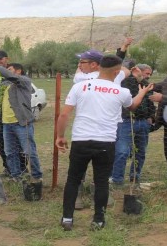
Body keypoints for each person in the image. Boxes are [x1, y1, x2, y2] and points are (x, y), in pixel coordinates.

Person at [56, 55, 152, 231]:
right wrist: (142, 92)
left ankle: (67, 218)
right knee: (101, 181)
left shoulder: (80, 87)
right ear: (117, 72)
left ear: (99, 68)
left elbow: (64, 115)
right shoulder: (121, 91)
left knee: (73, 180)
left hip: (81, 141)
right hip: (105, 143)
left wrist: (60, 136)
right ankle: (98, 220)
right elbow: (132, 106)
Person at [0, 59, 42, 181]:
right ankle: (16, 176)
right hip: (7, 124)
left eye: (10, 70)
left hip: (22, 123)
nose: (7, 72)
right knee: (10, 152)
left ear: (18, 71)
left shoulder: (24, 81)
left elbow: (11, 77)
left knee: (29, 151)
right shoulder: (6, 84)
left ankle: (37, 176)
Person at [110, 64, 156, 186]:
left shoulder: (146, 84)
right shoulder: (124, 83)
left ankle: (135, 176)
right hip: (127, 121)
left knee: (140, 152)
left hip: (143, 122)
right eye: (146, 73)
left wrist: (151, 116)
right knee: (122, 151)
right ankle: (117, 178)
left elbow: (150, 101)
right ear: (137, 70)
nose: (148, 76)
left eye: (150, 74)